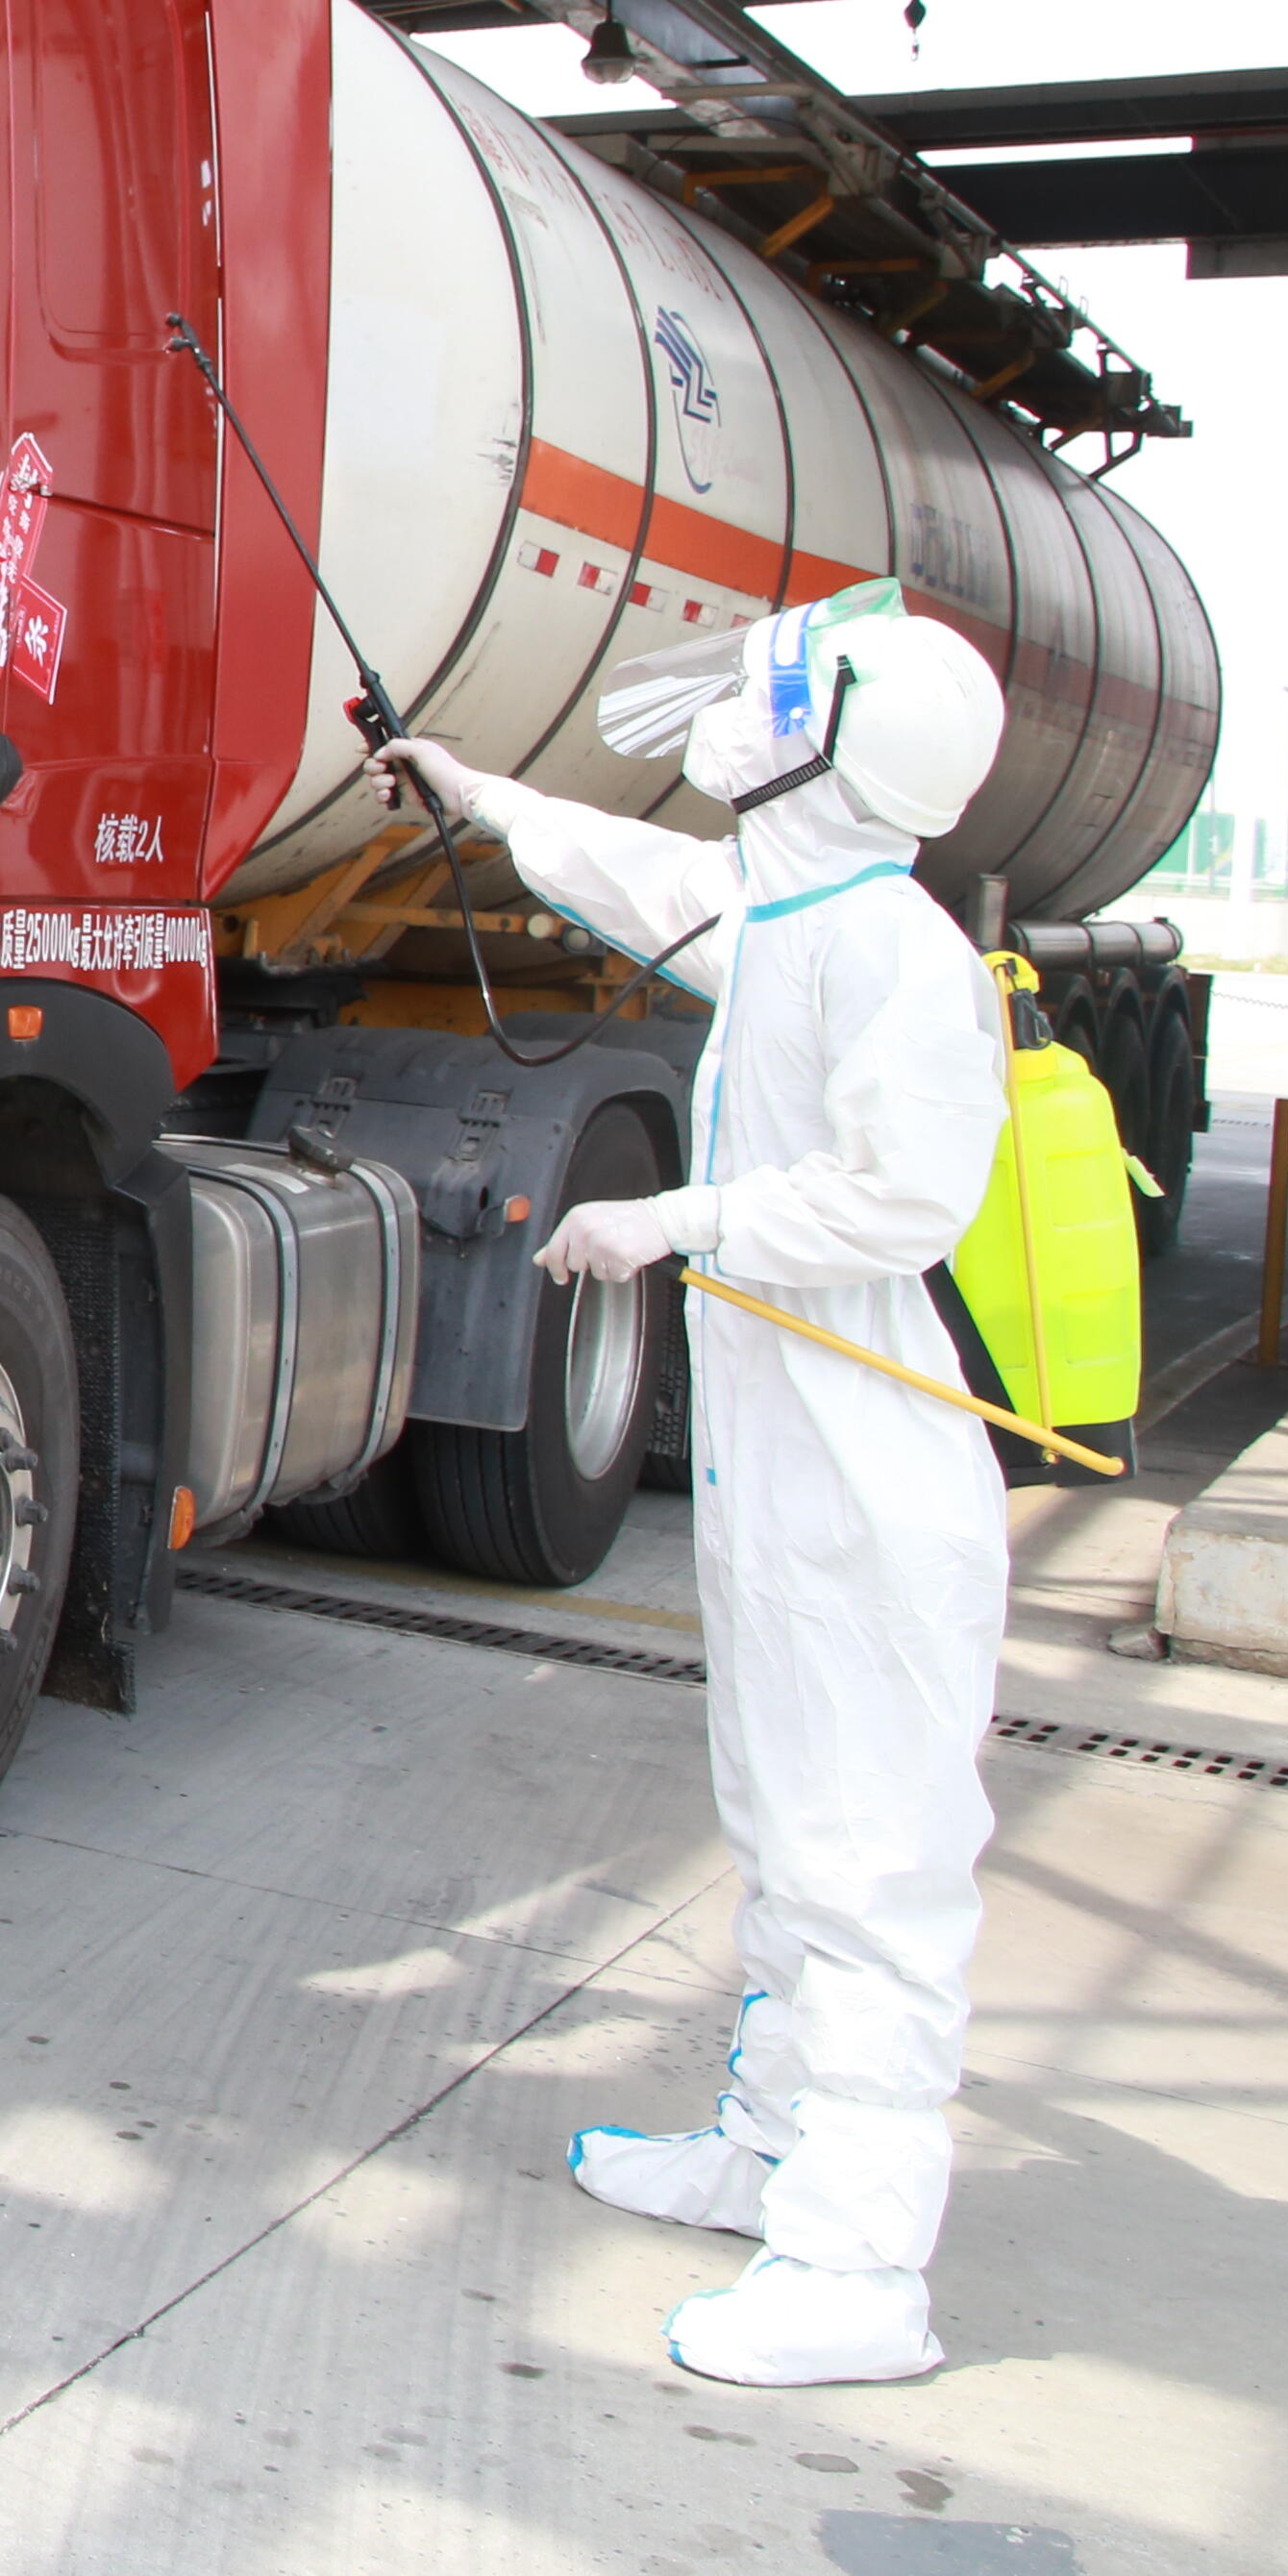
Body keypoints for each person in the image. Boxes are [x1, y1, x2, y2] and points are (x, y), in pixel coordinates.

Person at [376, 594, 1013, 2390]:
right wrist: (480, 795)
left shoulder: (898, 957)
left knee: (866, 1861)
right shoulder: (800, 920)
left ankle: (862, 2267)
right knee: (780, 1823)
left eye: (778, 703)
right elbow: (648, 883)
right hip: (788, 1472)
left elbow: (911, 1198)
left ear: (844, 750)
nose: (743, 721)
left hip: (868, 1482)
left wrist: (676, 1218)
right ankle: (773, 2146)